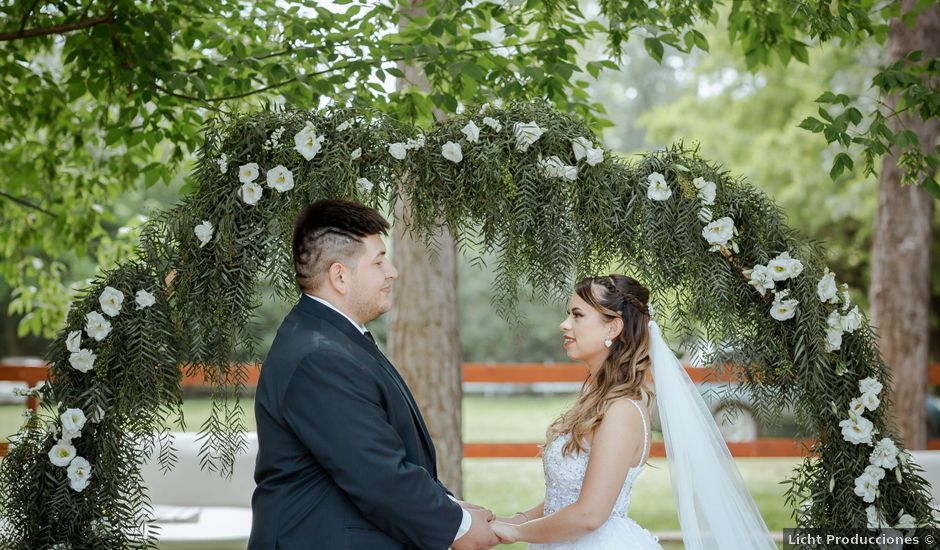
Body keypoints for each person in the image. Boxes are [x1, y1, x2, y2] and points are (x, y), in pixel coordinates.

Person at [248, 199, 499, 550]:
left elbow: (377, 452)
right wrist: (458, 526)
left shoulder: (331, 338)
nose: (392, 271)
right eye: (379, 261)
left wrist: (452, 506)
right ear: (340, 276)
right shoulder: (319, 356)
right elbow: (377, 474)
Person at [490, 275, 776, 549]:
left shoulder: (622, 410)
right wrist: (513, 520)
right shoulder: (596, 399)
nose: (564, 325)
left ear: (613, 328)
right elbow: (565, 497)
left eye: (577, 315)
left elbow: (590, 514)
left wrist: (516, 533)